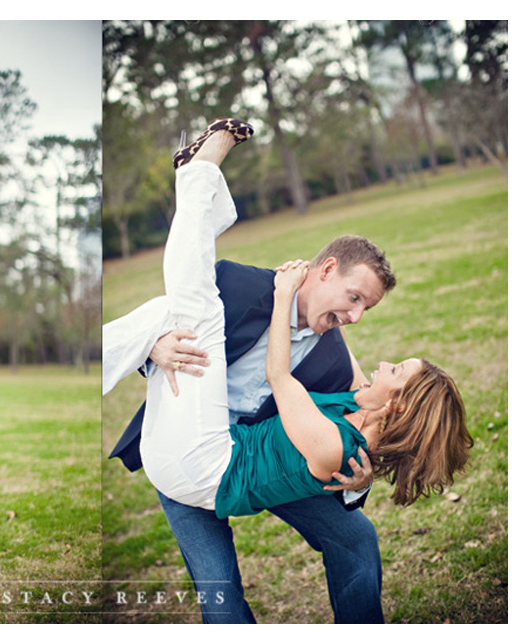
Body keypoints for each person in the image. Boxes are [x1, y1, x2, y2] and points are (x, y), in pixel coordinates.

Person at [103, 120, 470, 623]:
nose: (356, 318)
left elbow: (372, 418)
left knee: (357, 537)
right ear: (325, 270)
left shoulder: (333, 360)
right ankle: (198, 176)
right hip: (190, 447)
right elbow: (174, 316)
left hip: (252, 461)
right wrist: (155, 348)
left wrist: (358, 483)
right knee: (219, 590)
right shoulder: (235, 286)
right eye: (354, 298)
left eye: (367, 308)